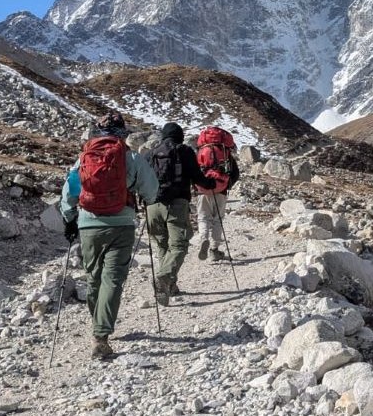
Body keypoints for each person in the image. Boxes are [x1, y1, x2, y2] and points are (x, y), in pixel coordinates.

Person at [60, 112, 159, 359]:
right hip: (121, 224)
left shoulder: (84, 157)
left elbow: (69, 191)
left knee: (93, 276)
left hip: (88, 225)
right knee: (113, 279)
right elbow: (151, 191)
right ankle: (101, 335)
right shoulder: (132, 158)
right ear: (122, 134)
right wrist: (145, 199)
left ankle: (98, 323)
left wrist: (70, 218)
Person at [145, 122, 203, 304]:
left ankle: (169, 286)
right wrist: (210, 185)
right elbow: (197, 176)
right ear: (180, 135)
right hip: (176, 204)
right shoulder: (185, 151)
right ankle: (164, 277)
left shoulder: (150, 153)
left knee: (162, 245)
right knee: (179, 245)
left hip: (152, 206)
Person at [193, 127, 240, 263]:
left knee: (203, 217)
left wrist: (196, 187)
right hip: (221, 189)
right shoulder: (225, 152)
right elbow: (235, 173)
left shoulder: (201, 152)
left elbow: (193, 172)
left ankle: (204, 238)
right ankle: (214, 250)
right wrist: (227, 185)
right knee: (218, 219)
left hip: (202, 190)